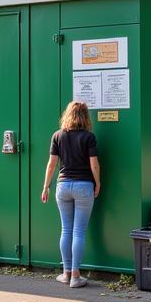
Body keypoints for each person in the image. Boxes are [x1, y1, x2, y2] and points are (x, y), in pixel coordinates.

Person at [41, 101, 100, 288]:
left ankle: (65, 273)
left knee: (66, 230)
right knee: (79, 231)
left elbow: (51, 165)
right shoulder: (89, 137)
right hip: (84, 186)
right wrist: (97, 182)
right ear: (85, 117)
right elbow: (94, 165)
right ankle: (75, 275)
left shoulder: (58, 136)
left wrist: (45, 187)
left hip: (63, 186)